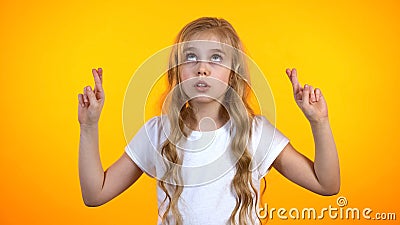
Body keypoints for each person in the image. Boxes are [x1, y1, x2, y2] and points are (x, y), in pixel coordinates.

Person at [78, 17, 340, 225]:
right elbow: (95, 194)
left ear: (232, 74)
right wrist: (89, 126)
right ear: (178, 71)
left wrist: (319, 122)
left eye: (216, 57)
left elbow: (326, 185)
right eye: (191, 57)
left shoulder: (255, 133)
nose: (202, 68)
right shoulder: (158, 133)